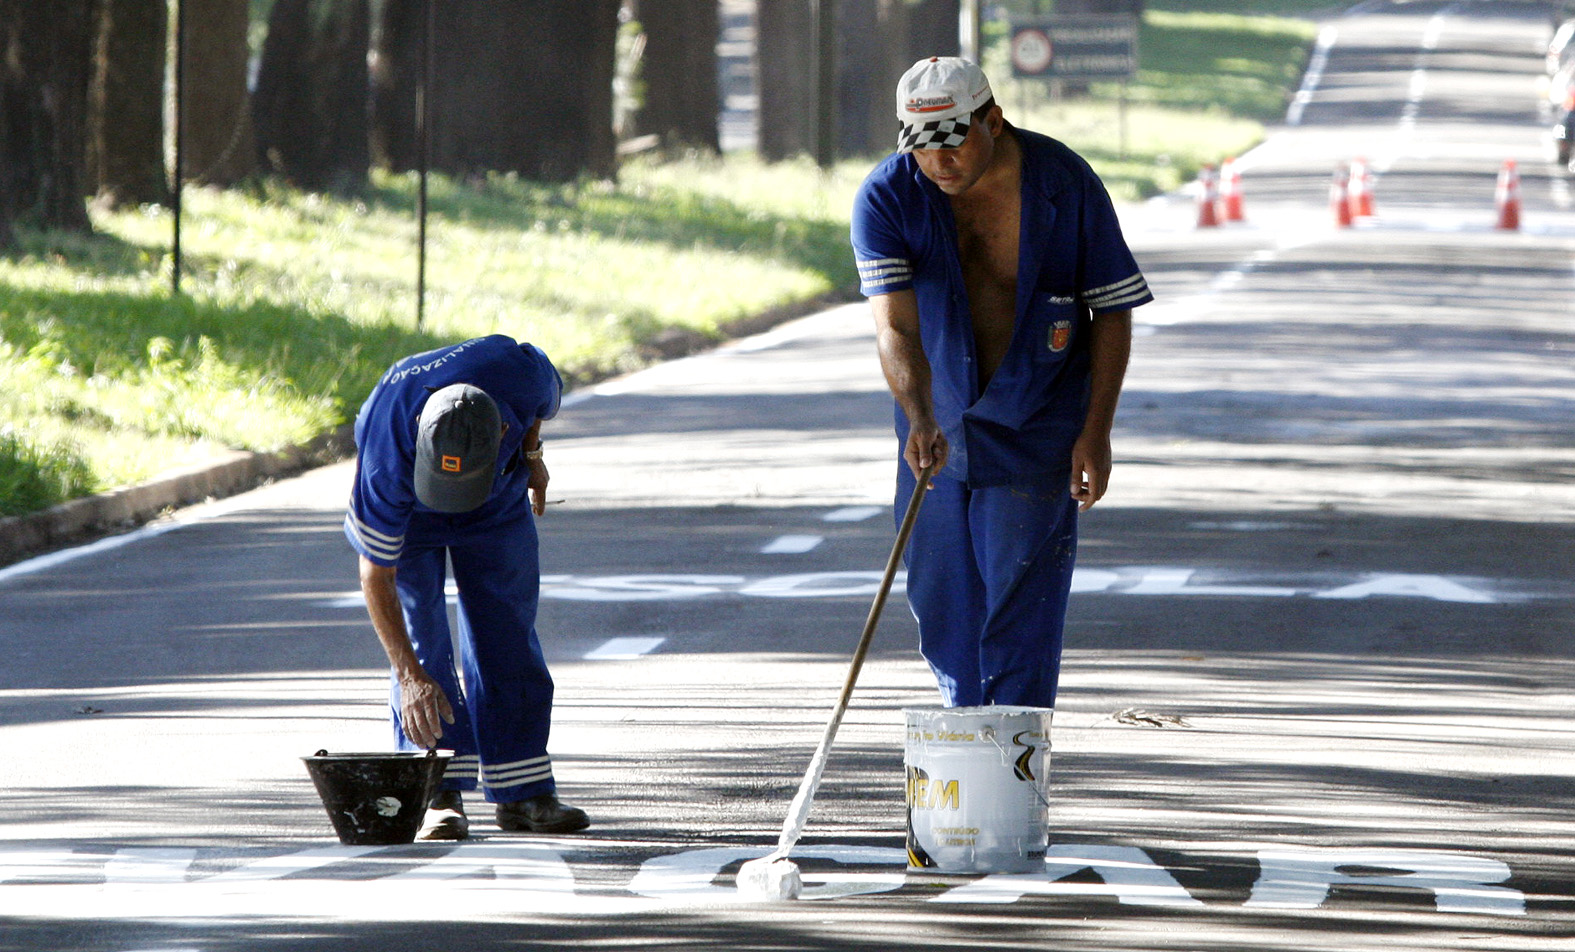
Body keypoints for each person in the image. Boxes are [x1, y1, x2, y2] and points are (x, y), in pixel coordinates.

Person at [850, 57, 1153, 709]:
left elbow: (1111, 310)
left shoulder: (1063, 183)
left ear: (993, 119)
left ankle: (1015, 766)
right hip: (937, 429)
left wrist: (1095, 434)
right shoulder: (887, 195)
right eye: (922, 149)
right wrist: (919, 415)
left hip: (1036, 426)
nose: (939, 164)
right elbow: (894, 329)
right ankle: (965, 742)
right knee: (942, 605)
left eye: (953, 143)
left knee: (1020, 607)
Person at [343, 334, 588, 840]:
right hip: (413, 514)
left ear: (501, 425)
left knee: (506, 632)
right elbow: (375, 574)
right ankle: (436, 793)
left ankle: (523, 793)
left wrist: (533, 454)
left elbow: (539, 407)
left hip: (496, 499)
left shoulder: (519, 373)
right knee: (421, 639)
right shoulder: (385, 450)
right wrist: (409, 675)